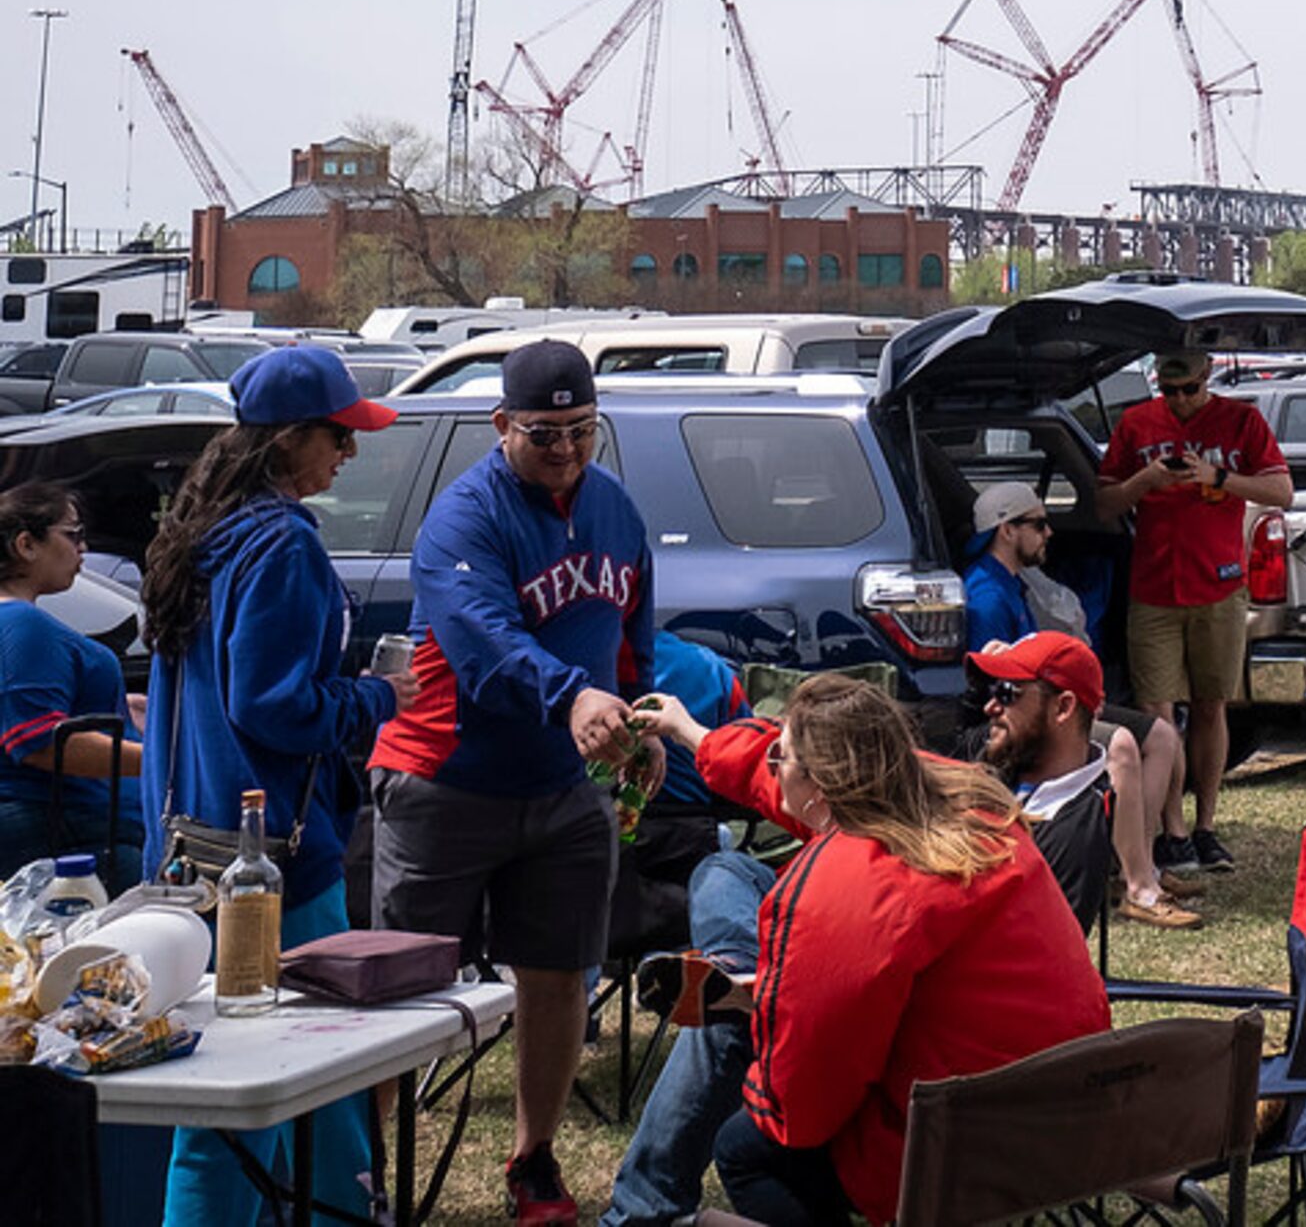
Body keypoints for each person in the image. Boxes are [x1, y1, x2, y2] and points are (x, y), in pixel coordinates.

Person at [368, 339, 655, 1225]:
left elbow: (630, 626)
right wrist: (572, 699)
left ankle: (533, 1157)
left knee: (560, 972)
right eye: (544, 432)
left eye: (582, 429)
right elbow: (484, 641)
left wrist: (636, 719)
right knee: (402, 985)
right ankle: (366, 1169)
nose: (566, 448)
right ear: (501, 426)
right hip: (446, 779)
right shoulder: (464, 517)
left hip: (564, 787)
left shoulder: (613, 508)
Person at [139, 351, 420, 1224]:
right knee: (236, 1113)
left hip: (187, 855)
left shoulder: (203, 530)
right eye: (339, 436)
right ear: (291, 439)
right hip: (270, 868)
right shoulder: (282, 539)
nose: (350, 454)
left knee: (307, 1094)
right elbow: (271, 706)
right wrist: (377, 697)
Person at [676, 674, 1111, 1227]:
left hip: (954, 1151)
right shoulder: (976, 810)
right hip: (1070, 1117)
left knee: (744, 1146)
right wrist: (691, 734)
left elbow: (803, 1111)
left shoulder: (845, 885)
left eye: (777, 760)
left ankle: (648, 1205)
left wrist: (764, 1028)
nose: (770, 771)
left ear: (818, 782)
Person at [961, 480, 1200, 927]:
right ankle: (1138, 887)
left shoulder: (1011, 582)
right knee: (1125, 746)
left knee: (1163, 735)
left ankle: (1142, 865)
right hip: (1035, 712)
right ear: (1006, 531)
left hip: (1051, 700)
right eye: (1038, 524)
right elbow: (1003, 691)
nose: (1049, 534)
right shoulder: (989, 596)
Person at [1093, 349, 1292, 879]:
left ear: (1207, 378)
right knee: (1159, 713)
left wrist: (1218, 476)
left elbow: (1281, 492)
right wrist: (1145, 482)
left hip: (1219, 586)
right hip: (1153, 587)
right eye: (1169, 390)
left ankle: (1207, 827)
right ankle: (1173, 831)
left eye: (1188, 390)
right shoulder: (1136, 424)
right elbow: (1103, 502)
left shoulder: (1241, 420)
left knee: (1211, 706)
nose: (1178, 400)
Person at [0, 484, 143, 882]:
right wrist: (163, 761)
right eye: (73, 534)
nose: (83, 548)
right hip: (74, 847)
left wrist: (125, 710)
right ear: (26, 544)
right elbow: (40, 741)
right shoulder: (21, 623)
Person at [967, 632, 1120, 929]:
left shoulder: (1073, 834)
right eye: (991, 691)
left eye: (1008, 692)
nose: (991, 707)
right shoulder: (1003, 763)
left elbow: (1033, 958)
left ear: (1062, 708)